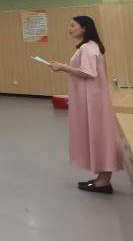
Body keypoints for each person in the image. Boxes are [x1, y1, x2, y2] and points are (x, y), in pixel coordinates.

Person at [50, 16, 123, 193]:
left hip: (92, 99)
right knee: (99, 136)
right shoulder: (91, 46)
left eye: (72, 25)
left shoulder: (87, 48)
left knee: (99, 137)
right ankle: (102, 179)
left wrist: (63, 67)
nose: (69, 29)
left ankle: (103, 182)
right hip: (93, 97)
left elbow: (88, 72)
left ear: (84, 28)